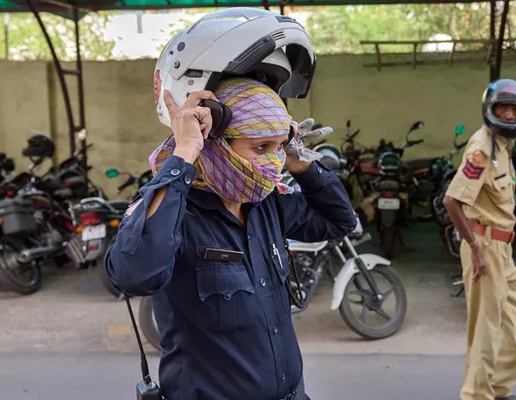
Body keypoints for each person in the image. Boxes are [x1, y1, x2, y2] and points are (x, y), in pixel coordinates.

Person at [104, 8, 356, 400]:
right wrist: (185, 151)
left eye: (278, 147)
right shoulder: (174, 209)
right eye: (260, 147)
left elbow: (339, 222)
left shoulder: (265, 204)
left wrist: (299, 160)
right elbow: (133, 275)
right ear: (214, 140)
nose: (273, 162)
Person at [442, 78, 516, 400]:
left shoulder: (503, 148)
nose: (509, 115)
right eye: (503, 108)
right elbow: (452, 202)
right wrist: (475, 249)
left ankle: (497, 389)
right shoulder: (482, 149)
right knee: (486, 329)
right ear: (489, 109)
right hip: (485, 246)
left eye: (515, 109)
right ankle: (477, 395)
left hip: (503, 248)